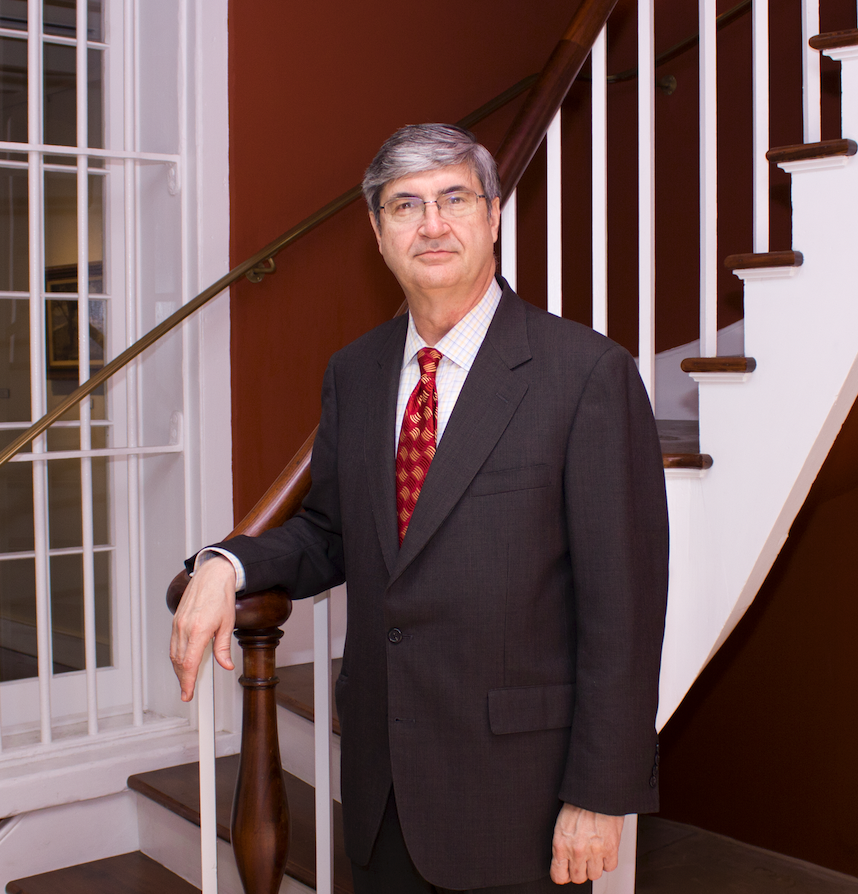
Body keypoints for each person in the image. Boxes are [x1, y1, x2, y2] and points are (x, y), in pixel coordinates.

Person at [171, 123, 669, 893]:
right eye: (405, 205)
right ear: (377, 232)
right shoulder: (357, 372)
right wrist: (226, 563)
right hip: (381, 790)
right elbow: (331, 533)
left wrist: (598, 795)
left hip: (519, 802)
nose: (431, 224)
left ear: (494, 215)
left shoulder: (586, 375)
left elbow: (624, 611)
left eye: (453, 198)